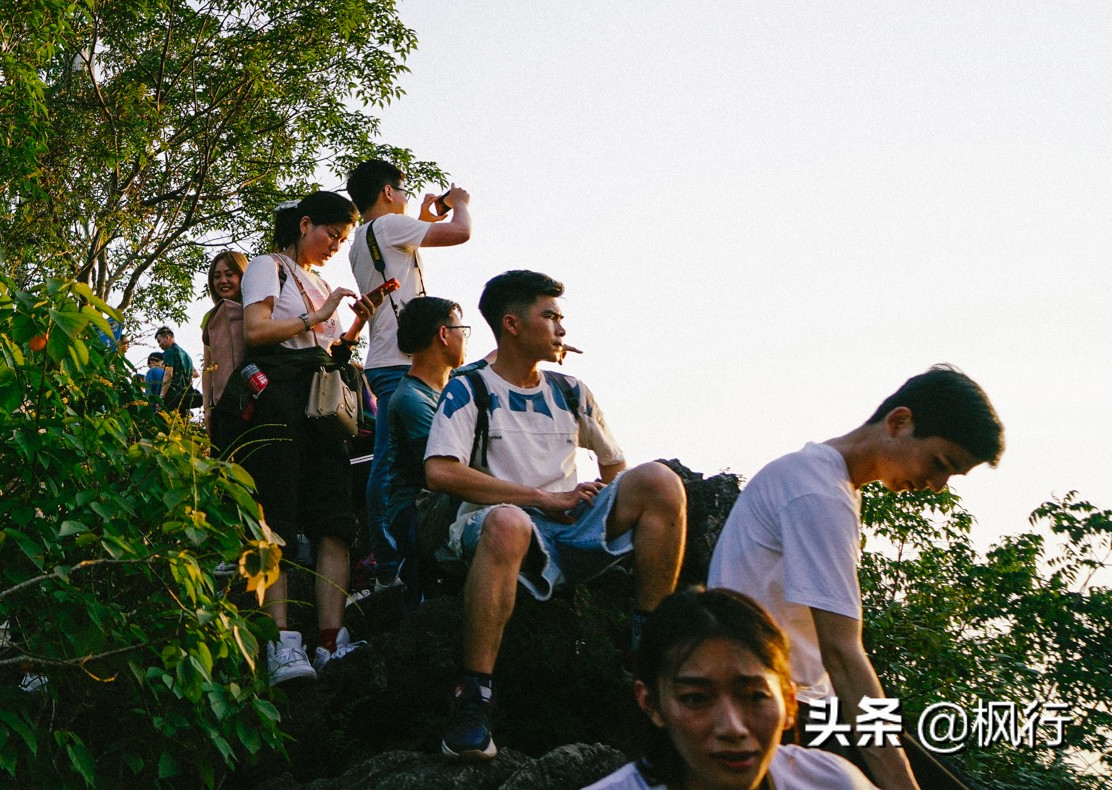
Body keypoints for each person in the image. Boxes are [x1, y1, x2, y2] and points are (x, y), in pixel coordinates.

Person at [425, 269, 689, 761]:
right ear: (512, 324)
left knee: (660, 481)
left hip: (567, 525)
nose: (561, 328)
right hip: (496, 525)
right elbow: (440, 472)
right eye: (550, 316)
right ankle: (473, 699)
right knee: (509, 522)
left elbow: (613, 464)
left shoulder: (570, 390)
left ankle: (648, 648)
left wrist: (593, 497)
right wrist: (541, 499)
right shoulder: (469, 388)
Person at [708, 366, 1002, 790]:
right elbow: (843, 652)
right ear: (899, 422)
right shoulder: (818, 493)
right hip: (777, 710)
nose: (938, 485)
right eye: (941, 463)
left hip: (805, 703)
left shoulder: (822, 480)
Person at [236, 190, 377, 682]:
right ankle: (281, 643)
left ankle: (329, 640)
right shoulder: (266, 266)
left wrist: (356, 322)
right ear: (305, 224)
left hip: (323, 404)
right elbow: (256, 330)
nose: (336, 245)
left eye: (343, 239)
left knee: (334, 518)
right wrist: (318, 315)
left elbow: (329, 347)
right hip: (282, 398)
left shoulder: (319, 281)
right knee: (274, 514)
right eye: (331, 234)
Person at [583, 586, 870, 790]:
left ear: (789, 702)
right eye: (696, 699)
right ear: (651, 704)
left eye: (755, 696)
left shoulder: (832, 782)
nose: (732, 728)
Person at [344, 159, 473, 556]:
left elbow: (404, 254)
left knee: (391, 459)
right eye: (402, 191)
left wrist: (421, 217)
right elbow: (460, 233)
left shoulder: (363, 239)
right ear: (387, 192)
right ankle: (389, 556)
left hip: (383, 357)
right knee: (393, 462)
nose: (405, 198)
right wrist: (462, 202)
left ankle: (390, 552)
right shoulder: (389, 227)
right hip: (404, 360)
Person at [374, 295, 470, 599]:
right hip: (418, 512)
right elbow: (444, 473)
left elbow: (491, 362)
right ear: (443, 335)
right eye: (461, 330)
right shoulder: (411, 400)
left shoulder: (452, 383)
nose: (464, 338)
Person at [199, 251, 250, 448]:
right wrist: (207, 408)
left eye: (230, 274)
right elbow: (208, 366)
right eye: (217, 276)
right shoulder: (211, 317)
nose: (223, 281)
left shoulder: (256, 310)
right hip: (224, 405)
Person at [155, 326, 196, 414]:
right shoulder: (187, 356)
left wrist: (161, 397)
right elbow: (192, 377)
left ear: (167, 337)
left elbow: (168, 374)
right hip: (184, 396)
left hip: (173, 395)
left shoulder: (169, 352)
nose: (159, 345)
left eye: (159, 341)